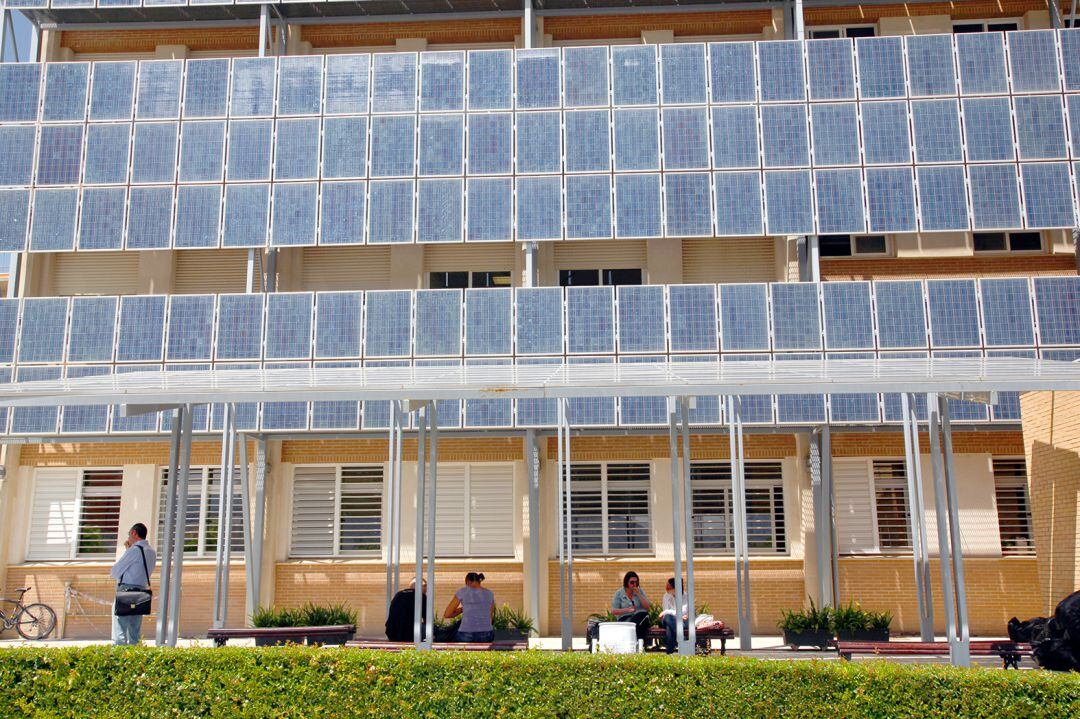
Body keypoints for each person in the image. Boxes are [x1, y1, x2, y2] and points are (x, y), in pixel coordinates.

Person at [109, 522, 156, 646]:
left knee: (119, 627)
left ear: (134, 533)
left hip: (126, 590)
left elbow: (115, 571)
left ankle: (118, 657)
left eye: (129, 534)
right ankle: (134, 656)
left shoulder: (134, 550)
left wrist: (128, 550)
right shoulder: (151, 552)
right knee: (135, 630)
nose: (128, 537)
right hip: (141, 591)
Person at [444, 572, 495, 643]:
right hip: (486, 634)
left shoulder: (462, 591)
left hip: (466, 634)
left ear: (467, 582)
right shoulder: (490, 593)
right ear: (479, 581)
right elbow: (490, 616)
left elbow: (447, 614)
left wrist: (462, 609)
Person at [612, 571, 651, 640]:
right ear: (627, 582)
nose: (634, 584)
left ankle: (639, 644)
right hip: (625, 619)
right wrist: (627, 610)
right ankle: (640, 644)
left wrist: (638, 594)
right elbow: (614, 611)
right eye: (632, 582)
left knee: (643, 616)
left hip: (640, 618)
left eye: (636, 582)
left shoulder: (640, 591)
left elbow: (647, 607)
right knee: (639, 624)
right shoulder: (619, 593)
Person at [660, 577, 689, 654]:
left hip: (682, 621)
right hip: (672, 620)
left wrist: (667, 612)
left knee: (670, 627)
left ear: (676, 588)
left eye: (668, 587)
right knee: (668, 617)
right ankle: (682, 638)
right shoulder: (666, 596)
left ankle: (669, 653)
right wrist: (678, 616)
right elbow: (666, 614)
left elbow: (684, 611)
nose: (666, 588)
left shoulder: (686, 596)